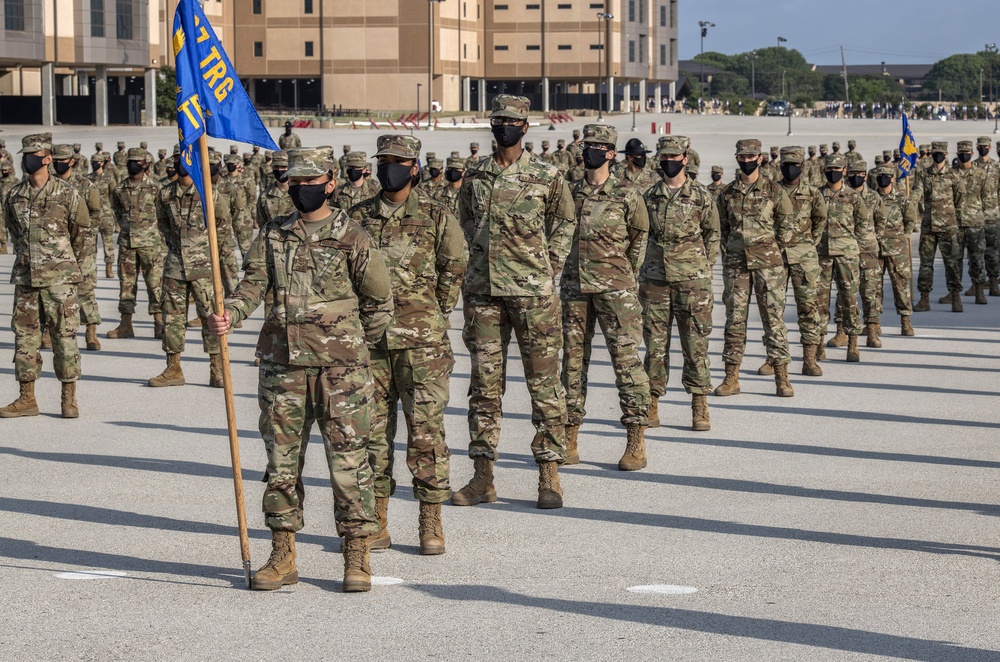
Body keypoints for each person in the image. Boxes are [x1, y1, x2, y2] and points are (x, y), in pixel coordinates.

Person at [208, 147, 392, 593]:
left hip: (340, 374)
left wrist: (348, 346)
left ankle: (356, 555)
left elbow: (379, 303)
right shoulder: (274, 235)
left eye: (311, 183)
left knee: (350, 464)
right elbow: (252, 283)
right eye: (295, 183)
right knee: (281, 465)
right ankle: (283, 553)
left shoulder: (354, 236)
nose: (301, 190)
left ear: (331, 183)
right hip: (283, 367)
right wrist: (231, 312)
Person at [454, 94, 575, 509]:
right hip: (483, 292)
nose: (504, 126)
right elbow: (463, 219)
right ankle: (482, 476)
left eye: (512, 121)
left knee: (544, 386)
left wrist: (550, 264)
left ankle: (549, 473)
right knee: (485, 388)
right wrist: (478, 252)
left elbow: (564, 221)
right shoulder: (476, 174)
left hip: (533, 294)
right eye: (498, 120)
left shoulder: (546, 174)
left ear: (525, 127)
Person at [348, 134, 467, 555]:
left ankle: (429, 519)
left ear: (414, 168)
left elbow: (455, 264)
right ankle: (377, 518)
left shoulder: (436, 215)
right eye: (383, 161)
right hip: (372, 343)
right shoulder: (357, 216)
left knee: (426, 433)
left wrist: (436, 310)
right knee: (372, 435)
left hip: (423, 345)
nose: (388, 168)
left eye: (398, 161)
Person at [560, 124, 650, 468]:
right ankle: (569, 436)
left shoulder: (627, 193)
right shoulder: (570, 192)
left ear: (611, 154)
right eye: (587, 146)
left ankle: (635, 439)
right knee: (571, 365)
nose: (590, 152)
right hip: (574, 291)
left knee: (626, 363)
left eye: (598, 147)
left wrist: (623, 274)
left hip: (616, 291)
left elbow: (639, 238)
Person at [1, 134, 89, 419]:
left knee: (64, 338)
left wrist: (69, 267)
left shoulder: (67, 194)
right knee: (24, 339)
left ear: (48, 158)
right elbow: (15, 232)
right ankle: (27, 398)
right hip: (26, 279)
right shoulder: (14, 195)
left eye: (33, 154)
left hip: (60, 281)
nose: (27, 159)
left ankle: (68, 398)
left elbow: (81, 235)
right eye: (25, 154)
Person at [640, 135, 718, 432]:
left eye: (675, 158)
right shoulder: (649, 197)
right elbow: (640, 235)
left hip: (692, 281)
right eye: (665, 158)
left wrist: (703, 267)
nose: (669, 162)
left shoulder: (701, 195)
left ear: (686, 158)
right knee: (654, 345)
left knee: (695, 343)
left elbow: (713, 233)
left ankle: (699, 404)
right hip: (655, 279)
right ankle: (652, 400)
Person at [715, 139, 795, 397]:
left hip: (768, 266)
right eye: (742, 157)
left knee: (774, 321)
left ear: (760, 158)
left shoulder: (774, 191)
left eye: (751, 157)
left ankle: (782, 378)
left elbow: (786, 225)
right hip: (736, 265)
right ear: (737, 158)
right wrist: (733, 250)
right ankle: (731, 377)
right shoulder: (727, 193)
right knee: (734, 321)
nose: (747, 161)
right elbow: (723, 229)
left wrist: (772, 249)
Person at [147, 146, 228, 389]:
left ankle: (217, 370)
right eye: (179, 159)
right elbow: (162, 225)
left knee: (210, 317)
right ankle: (173, 368)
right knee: (172, 318)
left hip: (204, 267)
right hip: (175, 266)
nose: (183, 163)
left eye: (188, 158)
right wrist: (176, 249)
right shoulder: (165, 194)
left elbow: (223, 227)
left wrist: (209, 256)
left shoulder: (210, 194)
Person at [773, 146, 827, 376]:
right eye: (786, 165)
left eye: (794, 164)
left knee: (808, 308)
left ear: (802, 166)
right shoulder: (772, 191)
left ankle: (810, 359)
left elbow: (820, 219)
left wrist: (808, 244)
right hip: (776, 257)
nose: (790, 169)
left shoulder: (813, 193)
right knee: (774, 311)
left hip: (804, 258)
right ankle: (775, 359)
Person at [108, 148, 166, 341]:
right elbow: (117, 212)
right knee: (126, 285)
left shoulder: (156, 188)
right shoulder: (119, 189)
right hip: (127, 244)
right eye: (131, 161)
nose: (133, 164)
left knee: (155, 284)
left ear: (146, 165)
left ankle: (159, 323)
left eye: (137, 162)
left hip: (151, 244)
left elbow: (163, 215)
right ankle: (126, 325)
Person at [816, 153, 867, 362]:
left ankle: (853, 342)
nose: (833, 173)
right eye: (829, 169)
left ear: (844, 171)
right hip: (822, 254)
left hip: (847, 254)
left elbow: (863, 224)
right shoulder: (816, 195)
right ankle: (818, 343)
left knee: (849, 299)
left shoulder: (854, 197)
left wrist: (855, 247)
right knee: (819, 299)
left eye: (837, 169)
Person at [53, 144, 103, 352]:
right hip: (56, 247)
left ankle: (91, 332)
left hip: (83, 247)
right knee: (53, 292)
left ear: (72, 161)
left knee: (85, 290)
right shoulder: (50, 185)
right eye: (55, 159)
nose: (58, 163)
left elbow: (96, 213)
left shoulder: (85, 185)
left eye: (62, 160)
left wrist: (87, 237)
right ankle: (50, 332)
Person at [914, 141, 965, 313]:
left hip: (948, 226)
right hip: (928, 226)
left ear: (946, 155)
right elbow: (917, 194)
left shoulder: (953, 175)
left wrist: (949, 214)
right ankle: (924, 298)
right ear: (931, 154)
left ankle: (955, 297)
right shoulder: (923, 174)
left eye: (941, 153)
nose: (938, 155)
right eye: (935, 152)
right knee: (926, 264)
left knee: (952, 263)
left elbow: (959, 197)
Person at [874, 164, 919, 336]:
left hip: (897, 249)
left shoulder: (902, 198)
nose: (883, 179)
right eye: (880, 176)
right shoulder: (871, 198)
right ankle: (874, 322)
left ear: (893, 178)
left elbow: (910, 220)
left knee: (901, 286)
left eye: (886, 176)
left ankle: (905, 321)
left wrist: (903, 237)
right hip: (875, 249)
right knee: (874, 287)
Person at [953, 140, 990, 305]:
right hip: (956, 223)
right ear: (957, 154)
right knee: (955, 260)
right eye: (961, 152)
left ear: (972, 154)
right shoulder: (951, 174)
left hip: (975, 223)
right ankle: (955, 295)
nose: (964, 155)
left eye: (967, 152)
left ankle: (979, 291)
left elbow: (986, 196)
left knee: (977, 258)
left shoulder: (981, 174)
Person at [973, 136, 1000, 296]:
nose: (982, 148)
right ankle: (977, 283)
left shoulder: (996, 167)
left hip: (992, 214)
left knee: (993, 251)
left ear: (990, 148)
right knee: (975, 252)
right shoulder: (972, 166)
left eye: (985, 146)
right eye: (980, 146)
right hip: (975, 214)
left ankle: (993, 282)